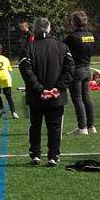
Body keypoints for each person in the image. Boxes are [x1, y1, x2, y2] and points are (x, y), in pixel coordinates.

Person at [18, 17, 73, 167]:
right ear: (49, 29)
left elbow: (25, 70)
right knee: (55, 126)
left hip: (35, 96)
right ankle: (53, 156)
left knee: (35, 125)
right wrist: (58, 88)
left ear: (34, 29)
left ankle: (35, 155)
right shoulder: (62, 46)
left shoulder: (28, 47)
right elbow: (69, 69)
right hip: (56, 96)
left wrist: (39, 89)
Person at [63, 11, 96, 135]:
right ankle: (91, 126)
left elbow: (63, 51)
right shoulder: (90, 35)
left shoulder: (72, 37)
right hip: (87, 68)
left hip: (76, 70)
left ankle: (82, 127)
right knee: (86, 97)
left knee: (77, 98)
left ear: (74, 22)